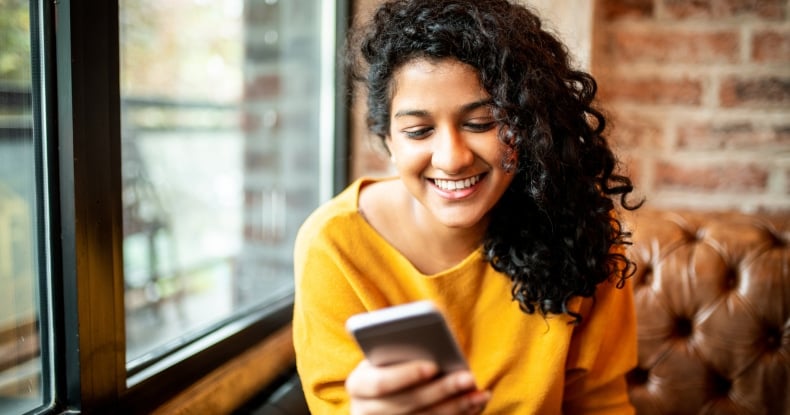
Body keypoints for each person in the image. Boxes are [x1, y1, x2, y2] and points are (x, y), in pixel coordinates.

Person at [292, 0, 642, 413]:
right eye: (418, 131)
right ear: (388, 139)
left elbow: (601, 404)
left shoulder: (577, 225)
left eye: (481, 123)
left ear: (528, 123)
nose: (452, 158)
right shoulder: (335, 245)